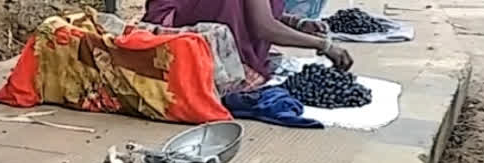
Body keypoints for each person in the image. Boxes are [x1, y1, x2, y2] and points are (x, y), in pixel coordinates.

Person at [143, 0, 353, 89]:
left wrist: (297, 23)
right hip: (193, 48)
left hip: (159, 47)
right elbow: (264, 27)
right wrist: (325, 46)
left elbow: (252, 9)